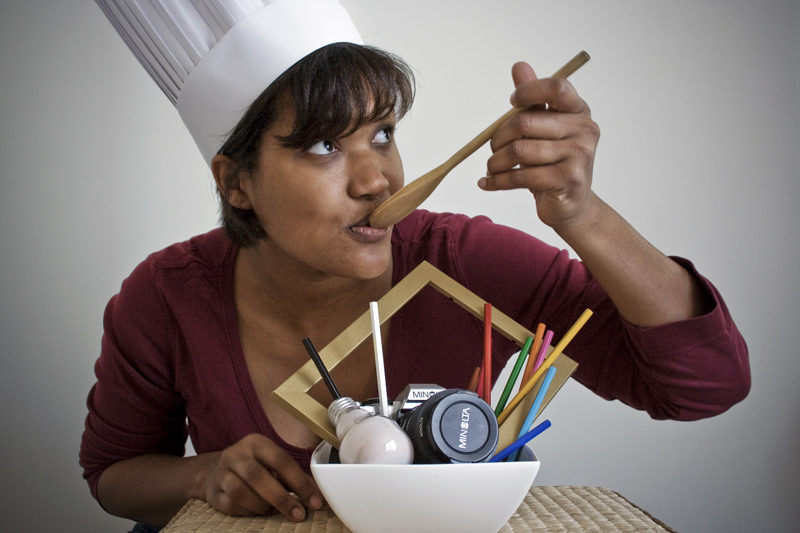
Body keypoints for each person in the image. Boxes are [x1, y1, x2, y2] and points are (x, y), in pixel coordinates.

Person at [81, 0, 750, 529]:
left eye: (382, 134)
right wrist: (202, 475)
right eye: (323, 145)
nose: (377, 179)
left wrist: (582, 212)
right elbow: (113, 473)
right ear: (236, 183)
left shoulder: (464, 263)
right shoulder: (165, 295)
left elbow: (705, 386)